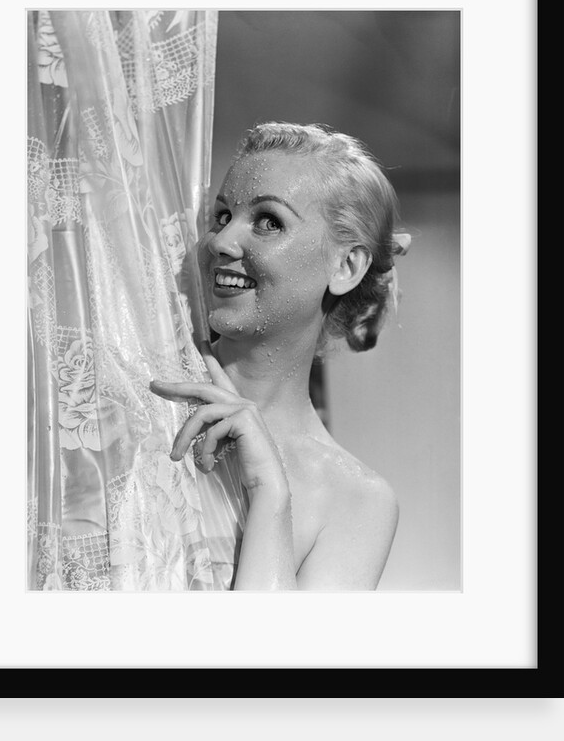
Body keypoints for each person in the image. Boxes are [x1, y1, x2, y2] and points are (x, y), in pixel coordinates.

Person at [150, 122, 410, 590]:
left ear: (345, 266)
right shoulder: (137, 390)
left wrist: (269, 493)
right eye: (223, 216)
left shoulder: (358, 500)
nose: (220, 244)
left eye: (269, 221)